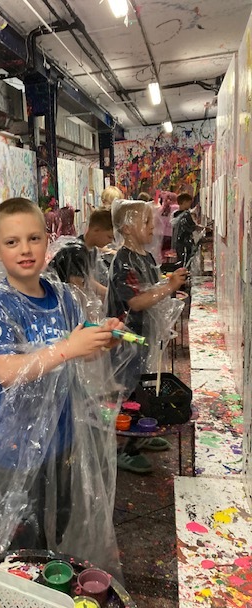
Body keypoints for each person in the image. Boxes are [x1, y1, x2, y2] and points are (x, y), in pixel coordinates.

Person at [0, 197, 127, 576]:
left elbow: (79, 353)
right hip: (14, 443)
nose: (25, 249)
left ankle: (46, 583)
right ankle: (21, 591)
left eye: (34, 238)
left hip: (62, 435)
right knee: (21, 531)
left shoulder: (64, 297)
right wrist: (68, 347)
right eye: (12, 242)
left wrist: (102, 338)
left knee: (59, 513)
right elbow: (7, 372)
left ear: (47, 241)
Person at [107, 199, 187, 473]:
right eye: (146, 222)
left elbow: (150, 288)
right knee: (128, 389)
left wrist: (167, 282)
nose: (154, 227)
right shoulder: (123, 261)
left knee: (144, 384)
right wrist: (169, 287)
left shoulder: (145, 256)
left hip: (144, 336)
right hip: (127, 338)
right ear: (127, 227)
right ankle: (124, 448)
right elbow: (137, 301)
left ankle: (141, 434)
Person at [77, 207, 115, 298]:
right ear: (96, 230)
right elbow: (78, 284)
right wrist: (110, 294)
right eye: (109, 237)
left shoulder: (92, 250)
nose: (110, 241)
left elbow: (89, 280)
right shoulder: (76, 251)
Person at [172, 193, 203, 267]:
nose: (190, 205)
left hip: (178, 242)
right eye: (189, 203)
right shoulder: (186, 215)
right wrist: (201, 228)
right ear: (185, 202)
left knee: (181, 260)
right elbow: (192, 227)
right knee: (186, 261)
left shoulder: (175, 214)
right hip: (186, 242)